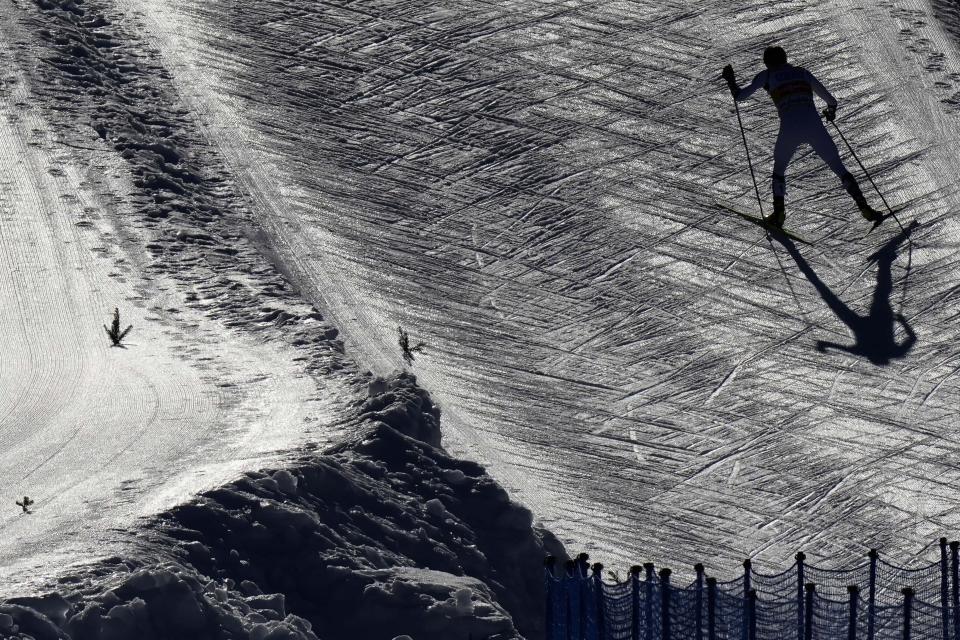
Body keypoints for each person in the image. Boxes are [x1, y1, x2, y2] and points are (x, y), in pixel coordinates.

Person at [721, 46, 881, 228]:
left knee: (779, 169)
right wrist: (830, 111)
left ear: (767, 62)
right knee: (839, 168)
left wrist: (730, 80)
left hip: (789, 127)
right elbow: (831, 101)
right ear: (785, 58)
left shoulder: (766, 76)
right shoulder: (802, 72)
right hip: (814, 125)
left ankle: (779, 214)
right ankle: (865, 208)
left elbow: (740, 96)